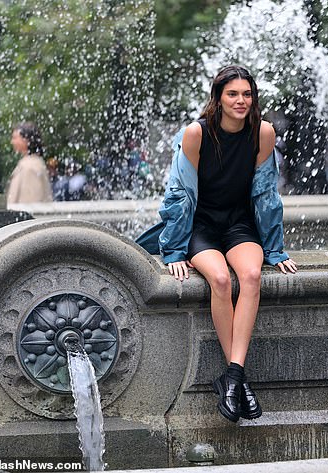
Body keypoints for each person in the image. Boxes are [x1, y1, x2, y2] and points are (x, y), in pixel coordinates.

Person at [136, 65, 297, 422]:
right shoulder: (197, 134)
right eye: (232, 94)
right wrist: (175, 250)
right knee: (221, 281)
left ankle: (233, 376)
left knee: (252, 276)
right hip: (201, 226)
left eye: (247, 94)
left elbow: (266, 195)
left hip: (239, 224)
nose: (241, 101)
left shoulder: (263, 133)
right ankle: (238, 380)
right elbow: (179, 195)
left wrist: (274, 248)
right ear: (218, 98)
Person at [6, 122, 53, 205]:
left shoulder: (30, 167)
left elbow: (30, 203)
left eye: (15, 138)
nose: (12, 142)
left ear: (26, 140)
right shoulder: (31, 163)